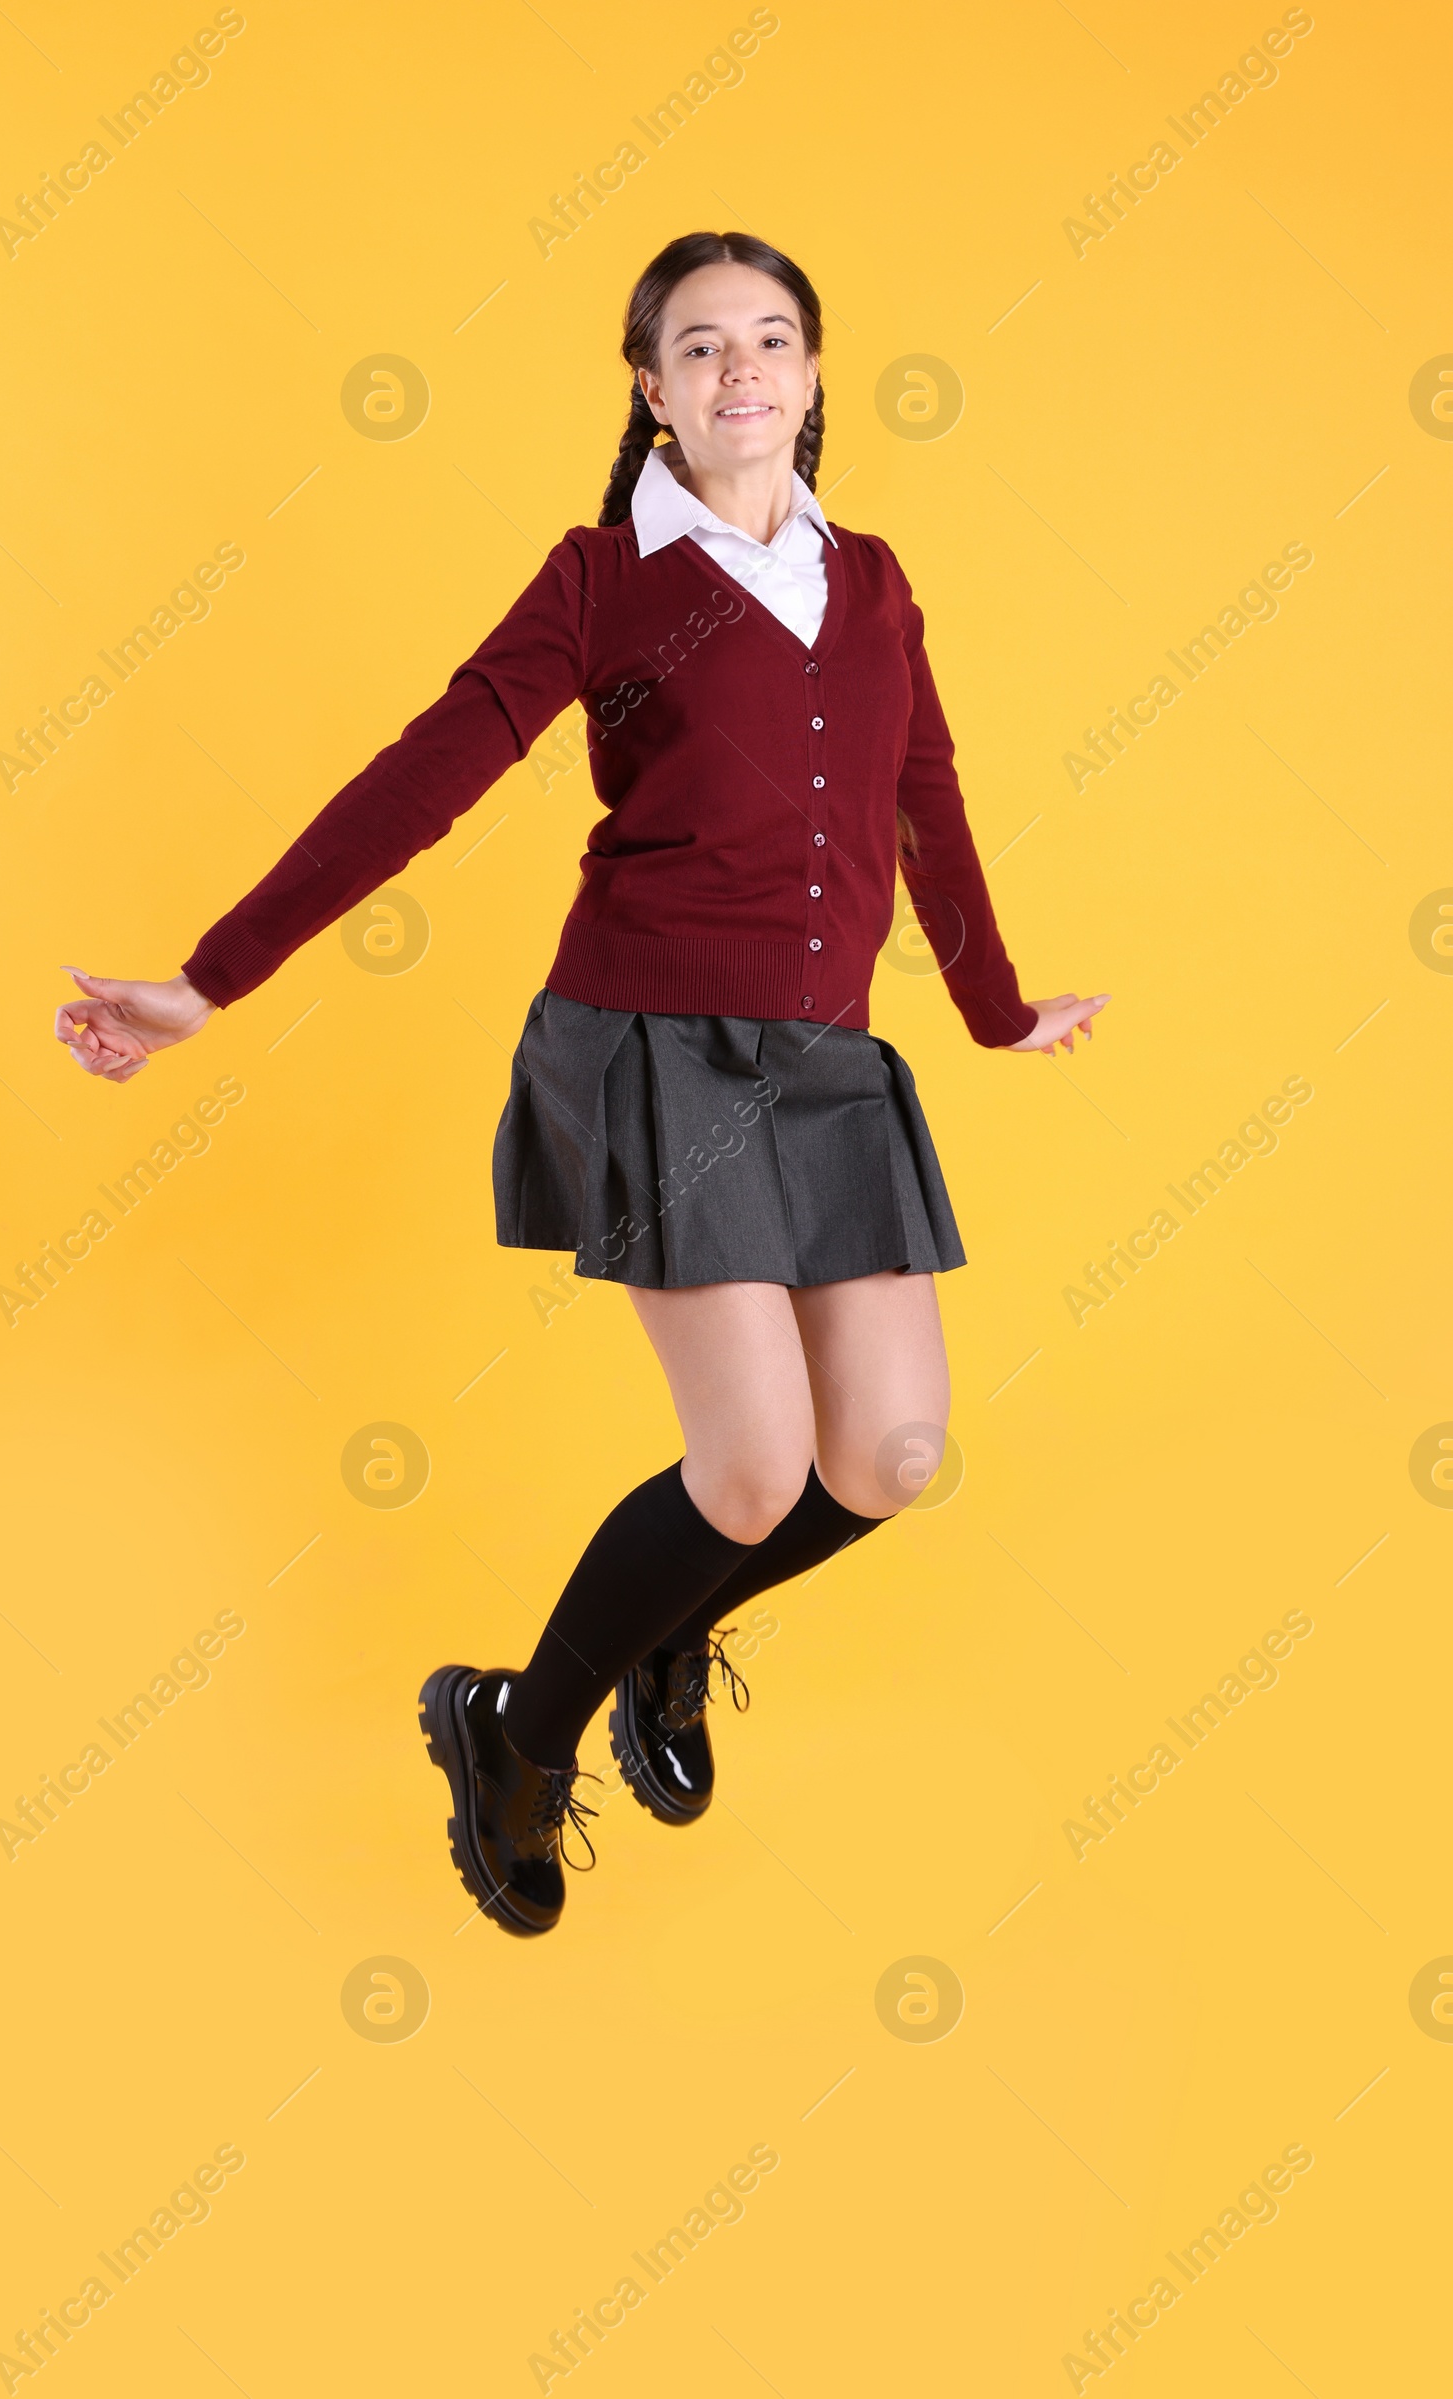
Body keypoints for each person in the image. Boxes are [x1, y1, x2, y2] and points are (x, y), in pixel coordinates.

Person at [54, 229, 1109, 1940]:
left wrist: (990, 1012)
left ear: (819, 373)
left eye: (773, 340)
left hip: (829, 1062)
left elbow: (930, 804)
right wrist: (206, 981)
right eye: (700, 350)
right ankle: (514, 1730)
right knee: (757, 1472)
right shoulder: (604, 576)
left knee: (894, 1454)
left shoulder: (879, 579)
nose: (742, 372)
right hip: (650, 1046)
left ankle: (666, 1623)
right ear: (650, 392)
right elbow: (426, 776)